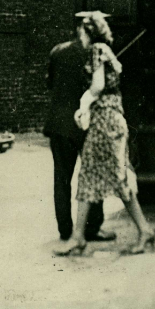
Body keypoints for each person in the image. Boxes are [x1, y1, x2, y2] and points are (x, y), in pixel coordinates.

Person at [55, 11, 155, 256]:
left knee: (107, 176)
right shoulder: (105, 50)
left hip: (105, 122)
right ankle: (79, 236)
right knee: (93, 175)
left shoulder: (96, 50)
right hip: (111, 120)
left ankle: (143, 231)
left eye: (81, 32)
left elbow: (98, 85)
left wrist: (83, 104)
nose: (80, 36)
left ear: (88, 32)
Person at [44, 14, 117, 243]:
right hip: (86, 122)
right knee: (93, 174)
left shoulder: (58, 51)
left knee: (61, 178)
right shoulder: (96, 54)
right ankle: (93, 227)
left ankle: (65, 229)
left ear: (79, 29)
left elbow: (49, 83)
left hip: (59, 123)